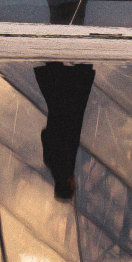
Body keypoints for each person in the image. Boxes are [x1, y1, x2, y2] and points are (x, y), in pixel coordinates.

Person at [35, 61, 95, 198]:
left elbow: (69, 138)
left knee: (80, 75)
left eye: (74, 186)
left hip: (70, 113)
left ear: (69, 185)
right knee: (57, 75)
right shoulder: (50, 163)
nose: (76, 183)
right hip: (57, 113)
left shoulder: (67, 166)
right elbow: (45, 134)